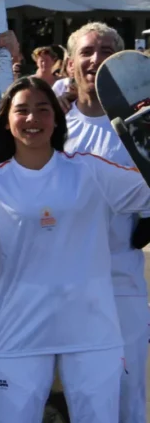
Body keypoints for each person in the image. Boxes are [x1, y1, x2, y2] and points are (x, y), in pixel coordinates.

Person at [0, 77, 150, 422]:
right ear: (6, 120)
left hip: (92, 335)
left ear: (56, 118)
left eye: (42, 109)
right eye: (21, 110)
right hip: (21, 336)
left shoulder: (90, 169)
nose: (32, 119)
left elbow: (145, 192)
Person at [60, 22, 149, 422]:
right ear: (69, 64)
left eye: (107, 51)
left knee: (129, 398)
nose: (96, 59)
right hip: (66, 287)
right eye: (87, 51)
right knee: (78, 399)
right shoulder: (50, 127)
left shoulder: (140, 125)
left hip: (123, 283)